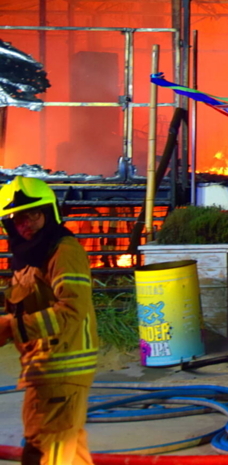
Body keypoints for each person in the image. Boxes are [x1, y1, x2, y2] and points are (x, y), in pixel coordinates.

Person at [0, 176, 98, 464]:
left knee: (50, 450)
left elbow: (71, 311)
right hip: (44, 368)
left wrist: (11, 327)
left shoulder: (63, 252)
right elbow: (28, 305)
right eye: (17, 218)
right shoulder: (30, 257)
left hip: (62, 367)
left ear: (48, 213)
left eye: (34, 214)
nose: (25, 222)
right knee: (63, 447)